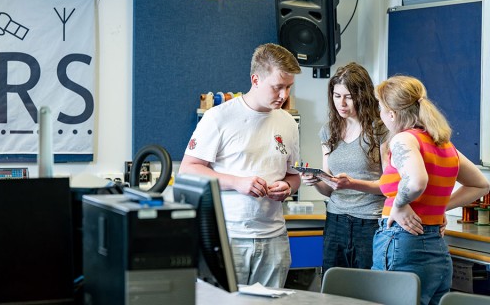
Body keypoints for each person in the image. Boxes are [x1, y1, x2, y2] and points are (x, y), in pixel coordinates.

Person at [336, 75, 489, 305]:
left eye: (380, 108)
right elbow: (481, 185)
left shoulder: (403, 140)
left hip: (402, 243)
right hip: (436, 248)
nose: (379, 114)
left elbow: (416, 181)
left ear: (392, 113)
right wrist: (439, 206)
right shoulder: (443, 143)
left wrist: (398, 205)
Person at [179, 43, 301, 288]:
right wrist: (238, 183)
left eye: (288, 87)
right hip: (228, 238)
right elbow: (188, 170)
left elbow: (293, 175)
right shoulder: (219, 117)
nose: (284, 95)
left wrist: (287, 187)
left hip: (274, 239)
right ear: (256, 79)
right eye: (278, 87)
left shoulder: (288, 122)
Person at [300, 62, 388, 275]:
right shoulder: (329, 130)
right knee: (333, 289)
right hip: (336, 220)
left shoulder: (381, 129)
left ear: (363, 95)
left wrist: (352, 183)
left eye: (348, 96)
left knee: (368, 291)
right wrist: (317, 181)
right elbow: (330, 189)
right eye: (337, 96)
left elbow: (390, 186)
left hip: (370, 222)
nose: (342, 103)